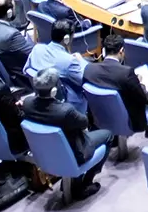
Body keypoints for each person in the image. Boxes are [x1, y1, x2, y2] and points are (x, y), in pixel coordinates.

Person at [23, 68, 111, 200]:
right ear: (54, 90)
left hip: (45, 153)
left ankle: (72, 181)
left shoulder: (27, 103)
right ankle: (85, 184)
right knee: (108, 135)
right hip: (75, 151)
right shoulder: (65, 111)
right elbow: (84, 122)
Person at [83, 34, 148, 138]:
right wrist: (140, 83)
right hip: (127, 119)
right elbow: (143, 98)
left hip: (100, 116)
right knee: (146, 88)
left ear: (104, 50)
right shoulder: (126, 73)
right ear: (121, 51)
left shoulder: (89, 69)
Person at [25, 19, 89, 113]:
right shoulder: (69, 61)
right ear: (67, 39)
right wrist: (81, 61)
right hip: (69, 105)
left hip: (40, 97)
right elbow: (85, 79)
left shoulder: (37, 49)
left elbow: (26, 71)